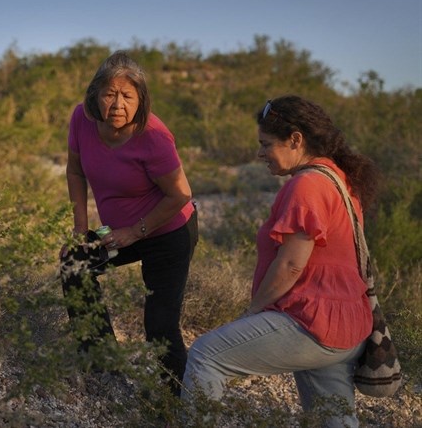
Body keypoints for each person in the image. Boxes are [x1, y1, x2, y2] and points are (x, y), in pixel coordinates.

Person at [181, 95, 379, 427]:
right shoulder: (338, 180)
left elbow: (290, 266)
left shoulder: (307, 185)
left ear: (295, 140)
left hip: (311, 322)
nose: (259, 154)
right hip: (348, 327)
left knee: (206, 355)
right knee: (334, 420)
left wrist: (253, 310)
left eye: (265, 144)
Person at [60, 51, 198, 396]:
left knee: (160, 325)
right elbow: (75, 170)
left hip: (168, 232)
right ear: (95, 96)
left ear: (141, 100)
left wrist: (133, 232)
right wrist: (80, 229)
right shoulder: (81, 119)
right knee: (75, 263)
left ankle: (177, 400)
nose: (118, 104)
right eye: (110, 93)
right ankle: (102, 365)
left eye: (128, 96)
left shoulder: (153, 136)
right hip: (118, 234)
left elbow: (180, 195)